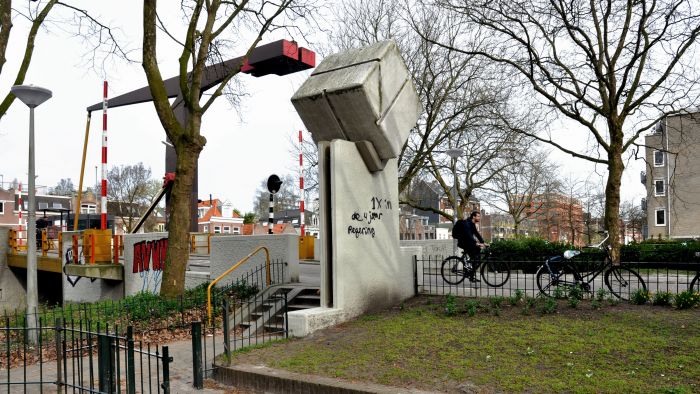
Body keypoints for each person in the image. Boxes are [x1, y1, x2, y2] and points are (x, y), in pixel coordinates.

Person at [457, 211, 488, 281]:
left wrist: (483, 242)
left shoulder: (472, 224)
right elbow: (468, 235)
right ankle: (469, 272)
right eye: (478, 216)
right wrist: (476, 243)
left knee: (477, 256)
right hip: (464, 243)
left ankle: (471, 273)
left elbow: (476, 233)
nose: (479, 218)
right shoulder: (467, 223)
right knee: (474, 257)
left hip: (469, 242)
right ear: (474, 217)